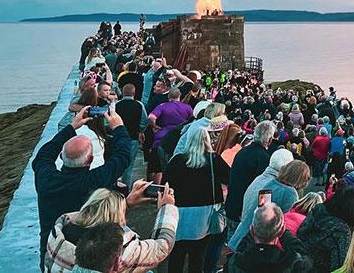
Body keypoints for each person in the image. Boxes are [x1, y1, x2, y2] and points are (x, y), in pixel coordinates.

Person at [34, 106, 131, 271]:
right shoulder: (95, 180)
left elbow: (43, 155)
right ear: (91, 159)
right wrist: (119, 127)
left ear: (61, 156)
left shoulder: (46, 179)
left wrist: (72, 127)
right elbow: (122, 156)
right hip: (88, 257)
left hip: (52, 251)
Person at [45, 183, 178, 273]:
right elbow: (162, 246)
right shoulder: (119, 251)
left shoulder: (59, 236)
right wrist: (167, 208)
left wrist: (126, 204)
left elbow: (100, 216)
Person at [162, 126, 231, 273]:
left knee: (176, 255)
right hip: (203, 217)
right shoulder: (213, 159)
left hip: (179, 214)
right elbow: (229, 178)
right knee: (198, 257)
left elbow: (165, 185)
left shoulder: (177, 161)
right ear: (207, 140)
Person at [229, 154, 309, 251]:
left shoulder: (271, 183)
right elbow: (286, 223)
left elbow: (260, 211)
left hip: (243, 236)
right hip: (258, 244)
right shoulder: (290, 194)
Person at [295, 186, 354, 273]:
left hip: (300, 264)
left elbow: (300, 232)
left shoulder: (317, 210)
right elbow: (339, 266)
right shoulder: (341, 231)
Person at [225, 120, 275, 238]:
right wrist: (263, 213)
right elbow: (263, 187)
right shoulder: (263, 158)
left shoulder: (242, 151)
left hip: (232, 204)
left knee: (230, 241)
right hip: (245, 210)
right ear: (270, 139)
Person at [227, 203, 311, 272]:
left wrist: (255, 229)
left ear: (252, 230)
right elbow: (303, 255)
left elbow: (240, 250)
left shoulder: (234, 263)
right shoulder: (293, 263)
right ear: (281, 231)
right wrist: (285, 233)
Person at [114, 83, 149, 188]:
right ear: (134, 93)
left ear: (123, 92)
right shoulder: (139, 105)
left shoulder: (117, 105)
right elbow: (144, 121)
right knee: (129, 167)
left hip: (118, 138)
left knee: (115, 163)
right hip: (133, 138)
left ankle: (113, 187)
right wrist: (140, 131)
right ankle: (125, 190)